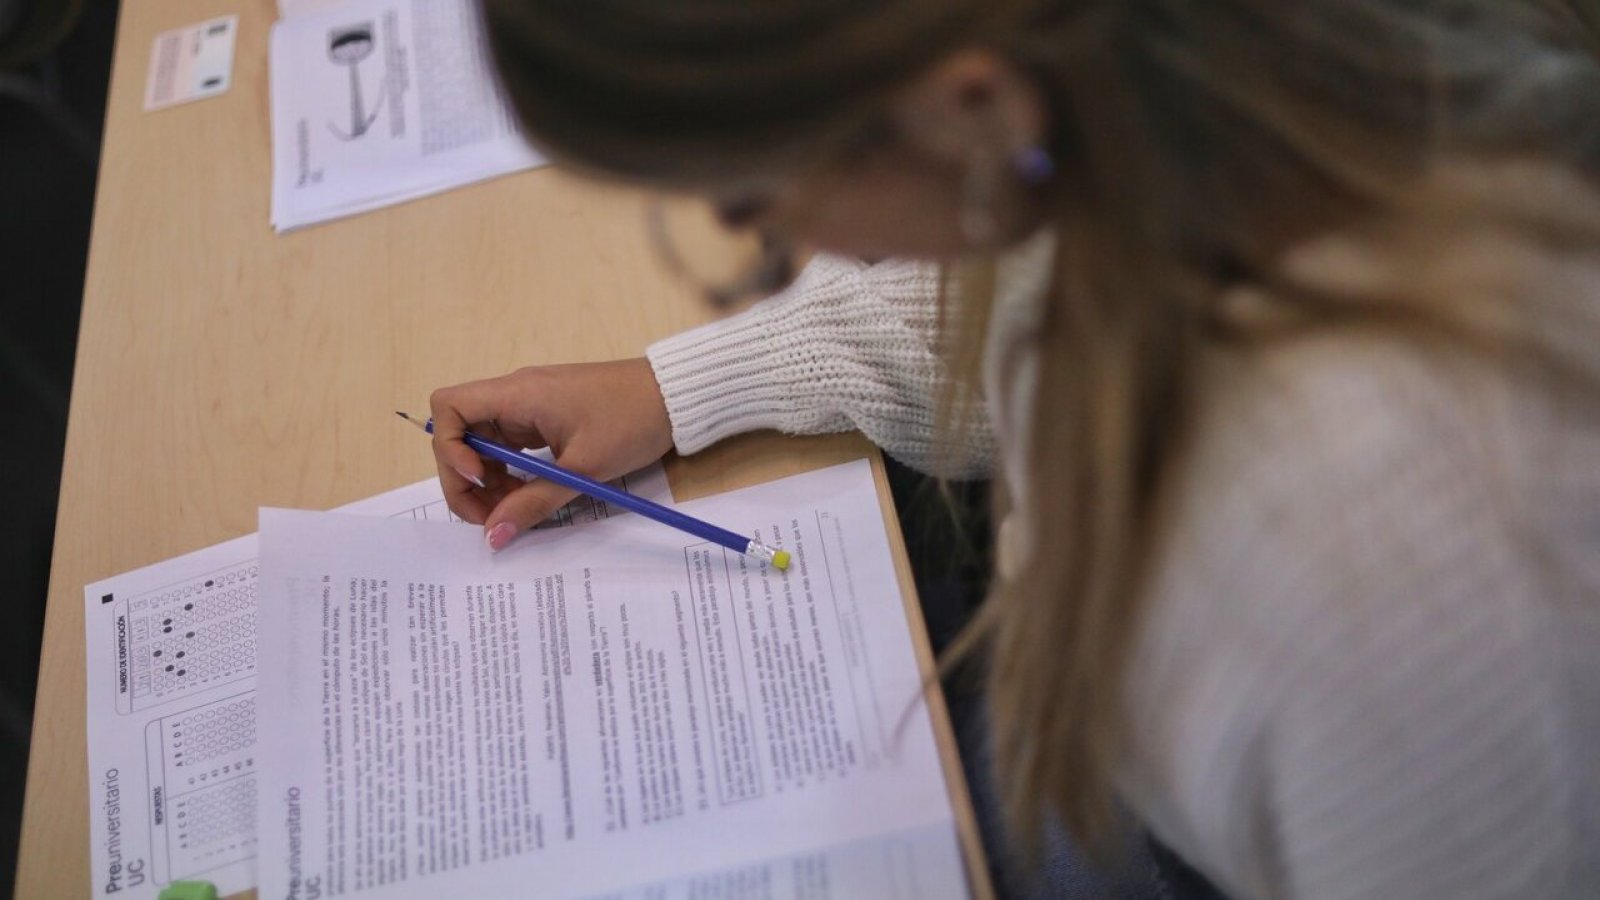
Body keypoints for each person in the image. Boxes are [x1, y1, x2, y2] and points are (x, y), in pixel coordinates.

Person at [427, 1, 1600, 896]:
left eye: (752, 202)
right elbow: (1007, 295)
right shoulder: (1168, 100)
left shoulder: (1402, 559)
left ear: (973, 109)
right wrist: (677, 386)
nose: (772, 242)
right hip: (1109, 732)